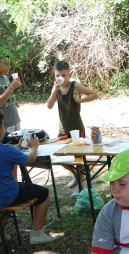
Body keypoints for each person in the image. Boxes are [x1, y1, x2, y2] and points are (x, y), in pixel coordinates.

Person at [0, 110, 55, 245]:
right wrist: (34, 147)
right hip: (6, 196)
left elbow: (2, 153)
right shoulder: (7, 150)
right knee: (43, 193)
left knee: (1, 191)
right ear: (1, 132)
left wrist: (16, 147)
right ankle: (37, 234)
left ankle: (0, 232)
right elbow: (30, 159)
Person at [45, 60, 98, 191]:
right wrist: (54, 91)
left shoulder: (75, 86)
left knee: (79, 158)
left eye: (63, 75)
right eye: (57, 75)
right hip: (62, 128)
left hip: (77, 128)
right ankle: (78, 176)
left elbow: (94, 94)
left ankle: (81, 186)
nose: (60, 78)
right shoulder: (56, 87)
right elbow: (49, 106)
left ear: (69, 74)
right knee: (58, 155)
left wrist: (80, 100)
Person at [0, 53, 21, 133]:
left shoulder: (5, 77)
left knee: (18, 143)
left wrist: (15, 101)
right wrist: (11, 86)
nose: (9, 66)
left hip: (15, 119)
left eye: (9, 64)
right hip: (4, 124)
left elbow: (8, 92)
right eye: (5, 64)